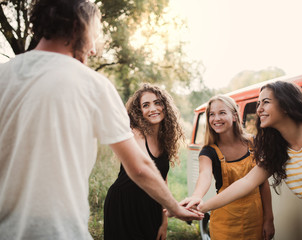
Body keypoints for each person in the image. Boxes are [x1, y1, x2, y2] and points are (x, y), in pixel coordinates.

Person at [0, 1, 202, 240]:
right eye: (92, 36)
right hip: (59, 232)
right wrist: (176, 208)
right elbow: (139, 167)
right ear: (77, 26)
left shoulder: (4, 75)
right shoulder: (92, 84)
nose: (93, 49)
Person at [198, 81, 302, 239]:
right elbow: (246, 182)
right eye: (258, 103)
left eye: (266, 102)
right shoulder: (276, 148)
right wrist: (201, 207)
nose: (259, 109)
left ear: (285, 105)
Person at [180, 95, 275, 240]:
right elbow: (204, 174)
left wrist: (269, 219)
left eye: (222, 113)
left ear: (235, 116)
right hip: (225, 223)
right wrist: (196, 196)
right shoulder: (208, 151)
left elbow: (262, 183)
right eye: (211, 114)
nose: (216, 118)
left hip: (255, 219)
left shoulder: (253, 143)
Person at [104, 83, 184, 240]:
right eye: (146, 105)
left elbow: (163, 181)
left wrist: (164, 221)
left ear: (165, 107)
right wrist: (175, 207)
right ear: (139, 112)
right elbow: (143, 168)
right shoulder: (135, 133)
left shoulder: (165, 141)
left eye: (157, 103)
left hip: (152, 205)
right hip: (124, 204)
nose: (152, 109)